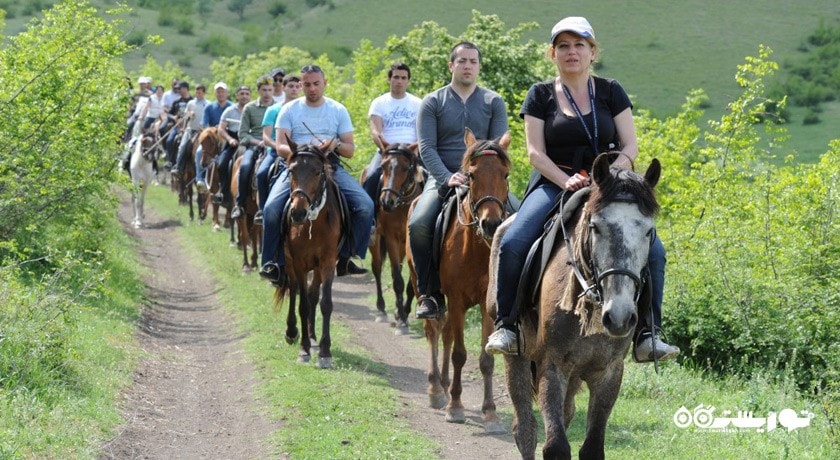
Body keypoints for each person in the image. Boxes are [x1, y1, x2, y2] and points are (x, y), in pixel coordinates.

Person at [483, 16, 680, 362]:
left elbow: (630, 146)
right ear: (553, 54)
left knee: (655, 251)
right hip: (553, 183)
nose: (571, 52)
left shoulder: (610, 91)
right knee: (514, 240)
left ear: (592, 52)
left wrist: (607, 178)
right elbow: (534, 153)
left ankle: (649, 332)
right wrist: (566, 180)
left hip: (608, 186)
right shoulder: (540, 95)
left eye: (579, 45)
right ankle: (508, 324)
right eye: (563, 46)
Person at [409, 42, 509, 319]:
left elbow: (499, 147)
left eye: (473, 61)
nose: (468, 66)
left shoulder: (493, 102)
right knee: (419, 223)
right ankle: (429, 294)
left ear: (478, 66)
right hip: (443, 176)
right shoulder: (433, 102)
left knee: (520, 218)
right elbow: (426, 147)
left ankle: (515, 296)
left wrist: (480, 174)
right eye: (462, 61)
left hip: (486, 179)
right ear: (451, 65)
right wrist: (446, 176)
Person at [259, 64, 374, 287]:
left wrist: (334, 144)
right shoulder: (289, 110)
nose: (311, 89)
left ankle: (348, 256)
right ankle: (273, 262)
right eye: (307, 84)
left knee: (365, 205)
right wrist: (302, 151)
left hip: (328, 166)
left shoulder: (338, 110)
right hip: (297, 166)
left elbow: (350, 150)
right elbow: (281, 145)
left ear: (325, 83)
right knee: (272, 208)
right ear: (300, 85)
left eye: (316, 84)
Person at [361, 62, 423, 213]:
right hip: (387, 150)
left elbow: (422, 134)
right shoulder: (379, 103)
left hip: (411, 152)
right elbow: (376, 132)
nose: (399, 81)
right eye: (396, 77)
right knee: (371, 176)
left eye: (403, 78)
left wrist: (414, 148)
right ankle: (371, 220)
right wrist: (386, 147)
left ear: (408, 80)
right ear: (389, 79)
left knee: (431, 180)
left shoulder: (418, 103)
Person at [255, 74, 302, 225]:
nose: (294, 89)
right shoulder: (273, 109)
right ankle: (262, 210)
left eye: (297, 86)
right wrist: (279, 146)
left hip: (301, 152)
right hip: (276, 151)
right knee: (262, 173)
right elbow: (266, 137)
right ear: (283, 88)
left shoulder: (304, 109)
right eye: (290, 86)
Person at [230, 75, 274, 220]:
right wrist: (257, 142)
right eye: (264, 90)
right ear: (258, 91)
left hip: (274, 146)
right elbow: (242, 134)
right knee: (245, 166)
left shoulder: (279, 107)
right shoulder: (250, 108)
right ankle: (240, 204)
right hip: (255, 145)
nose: (267, 93)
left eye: (269, 90)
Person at [214, 85, 251, 204]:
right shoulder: (229, 110)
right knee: (222, 164)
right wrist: (230, 139)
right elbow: (221, 128)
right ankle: (223, 191)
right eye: (242, 93)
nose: (244, 96)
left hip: (250, 141)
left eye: (247, 93)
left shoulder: (253, 109)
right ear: (236, 96)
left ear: (250, 96)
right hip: (233, 141)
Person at [195, 82, 232, 191]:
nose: (220, 94)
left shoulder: (231, 107)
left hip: (226, 138)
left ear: (226, 93)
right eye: (218, 92)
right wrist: (213, 130)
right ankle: (200, 178)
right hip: (211, 138)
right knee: (199, 152)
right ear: (215, 93)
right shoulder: (209, 107)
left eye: (222, 92)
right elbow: (204, 124)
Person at [172, 84, 208, 176]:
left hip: (202, 131)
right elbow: (185, 117)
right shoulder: (191, 103)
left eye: (200, 93)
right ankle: (178, 167)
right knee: (182, 146)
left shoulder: (208, 104)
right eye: (196, 92)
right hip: (190, 129)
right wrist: (188, 115)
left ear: (204, 93)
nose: (198, 94)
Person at [163, 81, 192, 170]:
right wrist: (174, 117)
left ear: (185, 89)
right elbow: (169, 114)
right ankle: (170, 161)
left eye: (180, 88)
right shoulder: (176, 102)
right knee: (170, 140)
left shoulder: (192, 101)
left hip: (189, 127)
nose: (178, 90)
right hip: (177, 127)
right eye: (177, 89)